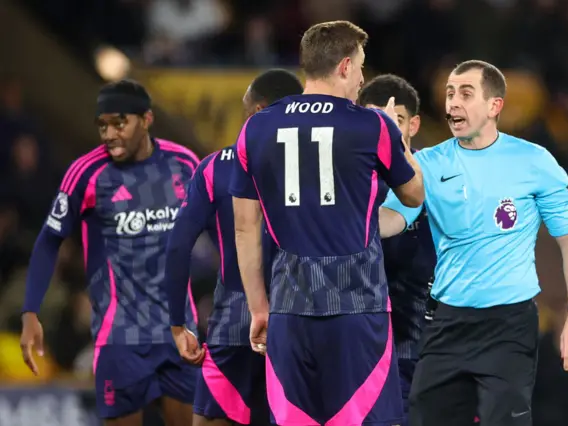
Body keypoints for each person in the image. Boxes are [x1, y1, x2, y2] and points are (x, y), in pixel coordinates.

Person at [229, 20, 425, 426]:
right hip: (358, 309)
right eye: (362, 68)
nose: (362, 79)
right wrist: (398, 139)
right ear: (345, 67)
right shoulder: (373, 126)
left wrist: (258, 308)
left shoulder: (256, 129)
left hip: (289, 307)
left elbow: (245, 228)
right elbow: (414, 195)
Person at [381, 60, 568, 426]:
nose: (452, 103)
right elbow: (389, 222)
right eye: (449, 93)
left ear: (495, 106)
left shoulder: (534, 162)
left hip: (508, 325)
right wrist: (339, 213)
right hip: (446, 322)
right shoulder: (427, 163)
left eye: (465, 93)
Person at [20, 80, 201, 426]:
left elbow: (218, 230)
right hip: (121, 340)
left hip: (180, 333)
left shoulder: (184, 164)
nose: (109, 133)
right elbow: (48, 240)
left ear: (146, 119)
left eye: (120, 123)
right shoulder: (87, 174)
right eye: (103, 125)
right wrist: (30, 311)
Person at [165, 69, 304, 426]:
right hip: (302, 318)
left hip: (234, 321)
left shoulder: (214, 169)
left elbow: (178, 245)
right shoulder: (314, 169)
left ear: (257, 112)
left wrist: (178, 324)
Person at [358, 74, 437, 424]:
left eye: (397, 122)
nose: (386, 131)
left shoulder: (435, 175)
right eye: (375, 120)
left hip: (421, 342)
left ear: (414, 125)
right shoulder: (346, 179)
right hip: (362, 342)